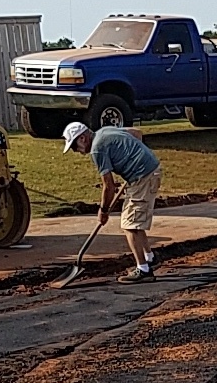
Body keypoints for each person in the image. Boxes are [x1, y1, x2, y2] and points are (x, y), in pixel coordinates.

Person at [63, 121, 162, 284]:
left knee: (129, 225)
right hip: (149, 172)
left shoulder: (97, 149)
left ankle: (144, 270)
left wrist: (103, 210)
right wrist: (133, 157)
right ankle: (149, 257)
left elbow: (109, 186)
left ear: (82, 138)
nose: (78, 152)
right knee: (135, 222)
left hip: (143, 177)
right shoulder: (104, 131)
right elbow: (137, 133)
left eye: (75, 147)